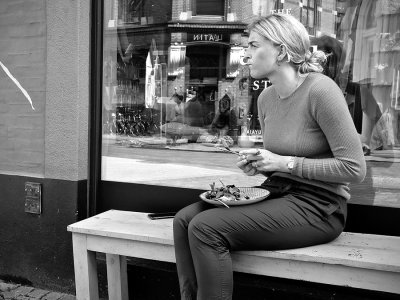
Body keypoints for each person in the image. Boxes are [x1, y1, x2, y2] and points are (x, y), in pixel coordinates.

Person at [173, 14, 366, 300]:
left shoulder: (321, 90)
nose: (245, 54)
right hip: (277, 194)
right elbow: (281, 163)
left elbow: (354, 169)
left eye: (252, 46)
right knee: (183, 220)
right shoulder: (265, 98)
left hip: (320, 206)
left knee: (206, 228)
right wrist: (262, 164)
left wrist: (283, 162)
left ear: (281, 50)